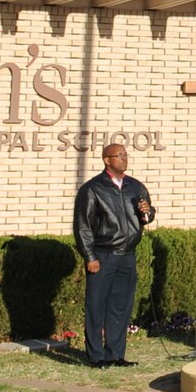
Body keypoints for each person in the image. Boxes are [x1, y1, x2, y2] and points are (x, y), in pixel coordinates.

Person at [72, 141, 154, 367]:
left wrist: (148, 212)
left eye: (126, 155)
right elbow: (82, 226)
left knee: (121, 306)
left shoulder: (135, 187)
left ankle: (115, 354)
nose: (124, 158)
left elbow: (147, 214)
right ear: (107, 160)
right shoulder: (93, 189)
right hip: (102, 255)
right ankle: (96, 356)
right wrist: (89, 257)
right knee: (96, 306)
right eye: (119, 155)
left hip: (127, 255)